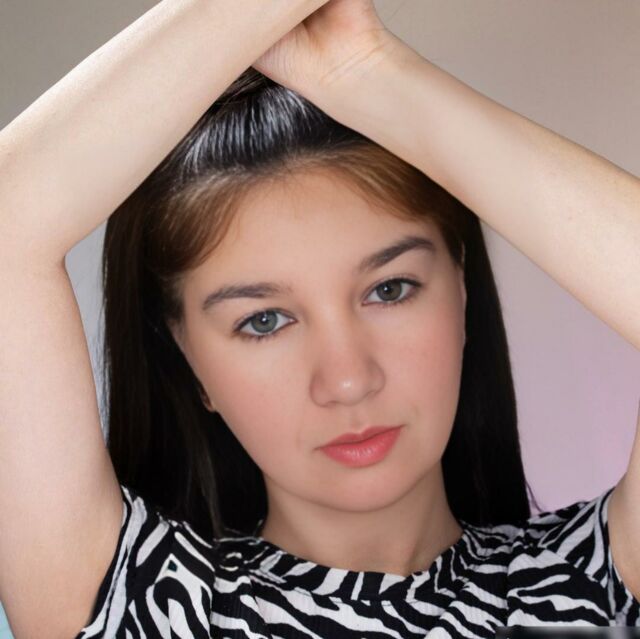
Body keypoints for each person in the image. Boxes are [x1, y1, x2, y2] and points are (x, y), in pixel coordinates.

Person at [0, 0, 638, 637]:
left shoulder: (592, 589)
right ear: (189, 360)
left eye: (389, 289)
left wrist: (366, 69)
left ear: (462, 291)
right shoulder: (143, 611)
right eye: (264, 322)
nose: (348, 381)